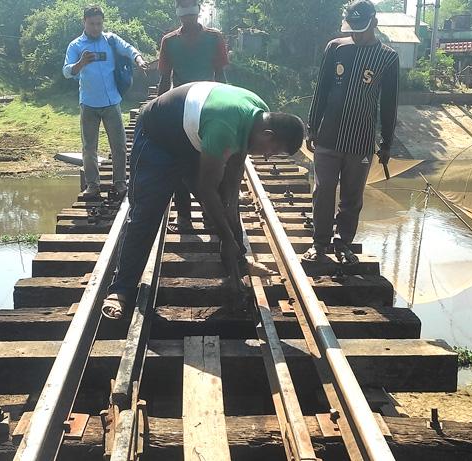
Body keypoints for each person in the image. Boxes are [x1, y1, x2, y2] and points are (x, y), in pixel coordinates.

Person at [101, 82, 305, 319]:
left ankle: (237, 267)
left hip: (193, 137)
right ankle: (121, 290)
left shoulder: (258, 114)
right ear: (267, 134)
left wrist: (229, 215)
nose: (269, 157)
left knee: (228, 204)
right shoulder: (224, 128)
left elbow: (232, 179)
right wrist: (226, 237)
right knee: (146, 214)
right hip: (157, 137)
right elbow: (205, 189)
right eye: (273, 150)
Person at [305, 0, 399, 264]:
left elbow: (389, 104)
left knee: (352, 195)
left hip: (361, 139)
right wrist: (312, 127)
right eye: (353, 27)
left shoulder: (388, 57)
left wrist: (387, 143)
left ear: (375, 24)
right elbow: (322, 90)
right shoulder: (336, 48)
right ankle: (319, 243)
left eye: (362, 28)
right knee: (323, 191)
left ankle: (343, 244)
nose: (356, 33)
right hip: (328, 135)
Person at [157, 0, 230, 233]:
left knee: (209, 164)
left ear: (197, 13)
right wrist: (158, 111)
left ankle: (206, 215)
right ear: (179, 16)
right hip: (184, 109)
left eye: (190, 14)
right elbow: (163, 81)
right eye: (184, 16)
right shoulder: (170, 42)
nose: (187, 19)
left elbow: (220, 76)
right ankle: (185, 217)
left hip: (206, 108)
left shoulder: (214, 38)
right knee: (183, 164)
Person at [63, 5, 149, 198]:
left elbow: (128, 49)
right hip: (88, 104)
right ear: (84, 22)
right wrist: (80, 63)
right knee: (89, 147)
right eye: (92, 24)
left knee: (118, 145)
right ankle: (92, 185)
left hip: (111, 102)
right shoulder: (75, 46)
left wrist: (139, 59)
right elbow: (67, 71)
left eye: (99, 24)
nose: (96, 28)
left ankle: (119, 183)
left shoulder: (110, 40)